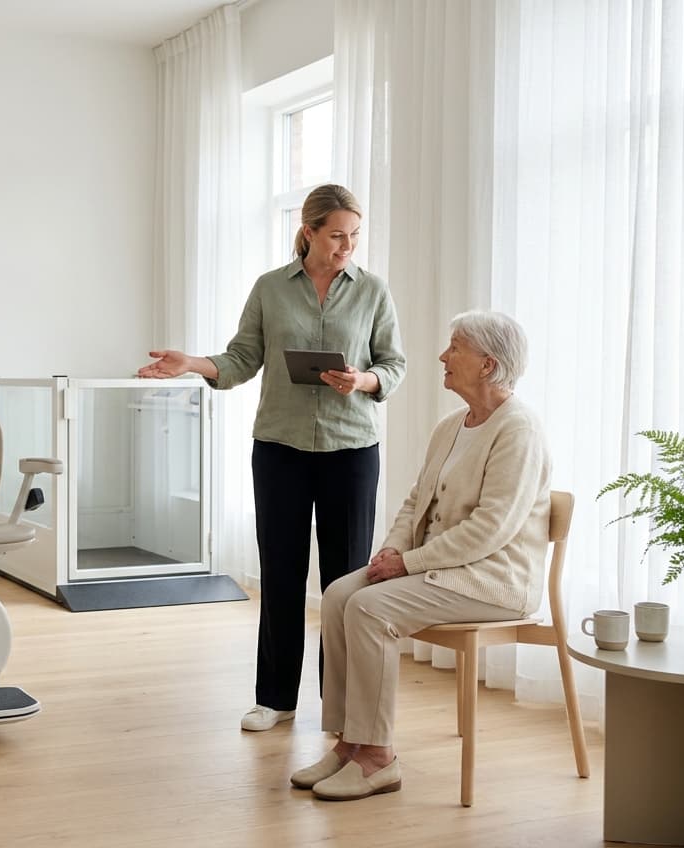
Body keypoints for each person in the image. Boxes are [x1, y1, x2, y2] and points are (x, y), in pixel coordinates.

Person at [138, 184, 406, 732]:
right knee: (282, 574)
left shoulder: (373, 291)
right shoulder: (270, 288)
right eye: (336, 235)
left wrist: (364, 380)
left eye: (354, 236)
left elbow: (394, 365)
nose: (346, 246)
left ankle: (344, 708)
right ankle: (276, 698)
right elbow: (241, 361)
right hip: (280, 450)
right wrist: (193, 363)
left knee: (346, 582)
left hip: (352, 451)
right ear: (309, 232)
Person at [288, 310, 550, 801]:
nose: (443, 356)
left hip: (494, 582)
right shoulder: (453, 425)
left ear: (488, 364)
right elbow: (416, 501)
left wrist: (407, 564)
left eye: (456, 347)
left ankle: (377, 757)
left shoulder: (519, 430)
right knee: (341, 593)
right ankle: (349, 742)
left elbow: (490, 530)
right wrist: (392, 548)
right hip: (444, 570)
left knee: (370, 608)